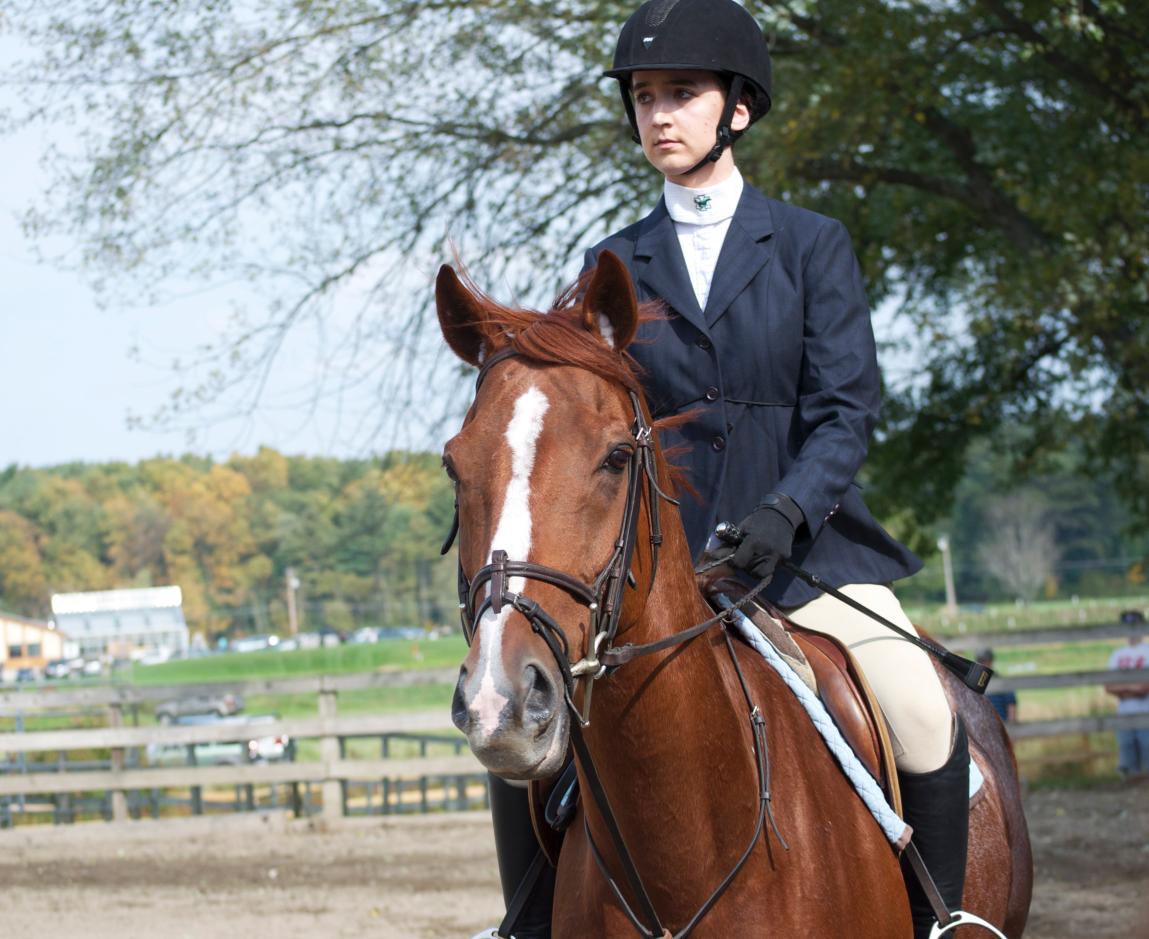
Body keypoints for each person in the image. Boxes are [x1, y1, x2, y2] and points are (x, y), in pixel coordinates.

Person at [473, 2, 967, 937]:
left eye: (682, 95)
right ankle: (528, 920)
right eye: (646, 97)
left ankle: (949, 922)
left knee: (915, 699)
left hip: (806, 558)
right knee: (532, 731)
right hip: (661, 578)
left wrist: (788, 510)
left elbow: (844, 409)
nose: (660, 115)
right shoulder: (613, 261)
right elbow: (597, 428)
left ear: (736, 108)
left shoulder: (812, 244)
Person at [1104, 630, 1149, 778]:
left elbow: (1145, 687)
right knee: (1126, 749)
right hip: (1124, 712)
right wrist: (1133, 688)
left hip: (1145, 711)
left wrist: (1123, 688)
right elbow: (1109, 686)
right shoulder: (1117, 654)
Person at [978, 647, 1017, 723]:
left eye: (986, 661)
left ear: (991, 661)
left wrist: (1011, 726)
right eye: (981, 661)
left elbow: (1011, 705)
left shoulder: (1002, 682)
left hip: (1001, 724)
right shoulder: (974, 682)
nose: (983, 664)